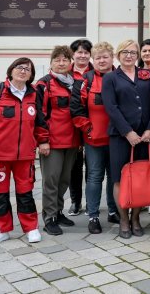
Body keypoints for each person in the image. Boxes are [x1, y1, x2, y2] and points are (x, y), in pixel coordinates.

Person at [0, 58, 48, 246]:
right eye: (19, 67)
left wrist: (44, 141)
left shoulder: (33, 94)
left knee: (25, 192)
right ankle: (0, 230)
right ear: (11, 70)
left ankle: (31, 228)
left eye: (28, 69)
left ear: (31, 75)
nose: (23, 71)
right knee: (0, 193)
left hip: (24, 156)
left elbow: (40, 121)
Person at [101, 39, 150, 239]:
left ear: (138, 56)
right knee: (119, 179)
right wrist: (128, 132)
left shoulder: (147, 75)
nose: (129, 56)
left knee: (140, 178)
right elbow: (111, 107)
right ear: (118, 55)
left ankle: (136, 218)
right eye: (125, 52)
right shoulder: (110, 78)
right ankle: (124, 219)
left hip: (145, 136)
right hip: (120, 136)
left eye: (133, 52)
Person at [71, 42, 119, 234]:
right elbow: (76, 108)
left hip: (117, 138)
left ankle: (114, 210)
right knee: (94, 177)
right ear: (93, 59)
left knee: (115, 177)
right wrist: (87, 129)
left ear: (112, 58)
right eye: (97, 57)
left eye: (105, 57)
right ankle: (93, 216)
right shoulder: (86, 80)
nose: (101, 60)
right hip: (94, 139)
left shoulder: (120, 77)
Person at [35, 45, 80, 236]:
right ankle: (49, 217)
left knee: (64, 180)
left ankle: (59, 211)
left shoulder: (77, 82)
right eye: (57, 60)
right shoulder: (43, 85)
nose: (61, 63)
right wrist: (42, 140)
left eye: (65, 60)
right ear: (51, 63)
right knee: (51, 180)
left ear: (71, 63)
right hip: (52, 142)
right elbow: (39, 115)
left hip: (72, 140)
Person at [68, 38, 93, 217]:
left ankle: (92, 203)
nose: (82, 56)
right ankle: (75, 202)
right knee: (74, 167)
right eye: (79, 52)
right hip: (72, 126)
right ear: (73, 55)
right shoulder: (66, 73)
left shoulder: (98, 71)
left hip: (94, 126)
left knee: (92, 167)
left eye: (85, 52)